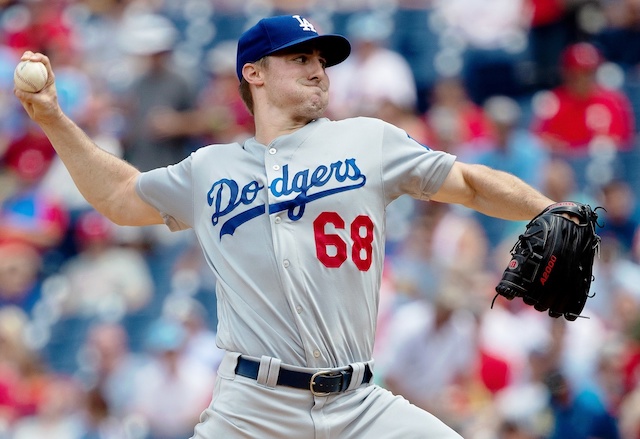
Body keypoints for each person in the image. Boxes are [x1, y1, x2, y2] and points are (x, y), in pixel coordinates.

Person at [15, 14, 559, 439]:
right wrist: (54, 120)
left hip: (360, 403)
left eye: (321, 59)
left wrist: (551, 211)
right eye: (299, 58)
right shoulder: (209, 169)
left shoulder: (368, 139)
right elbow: (117, 195)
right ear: (253, 73)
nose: (317, 69)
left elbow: (467, 183)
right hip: (252, 409)